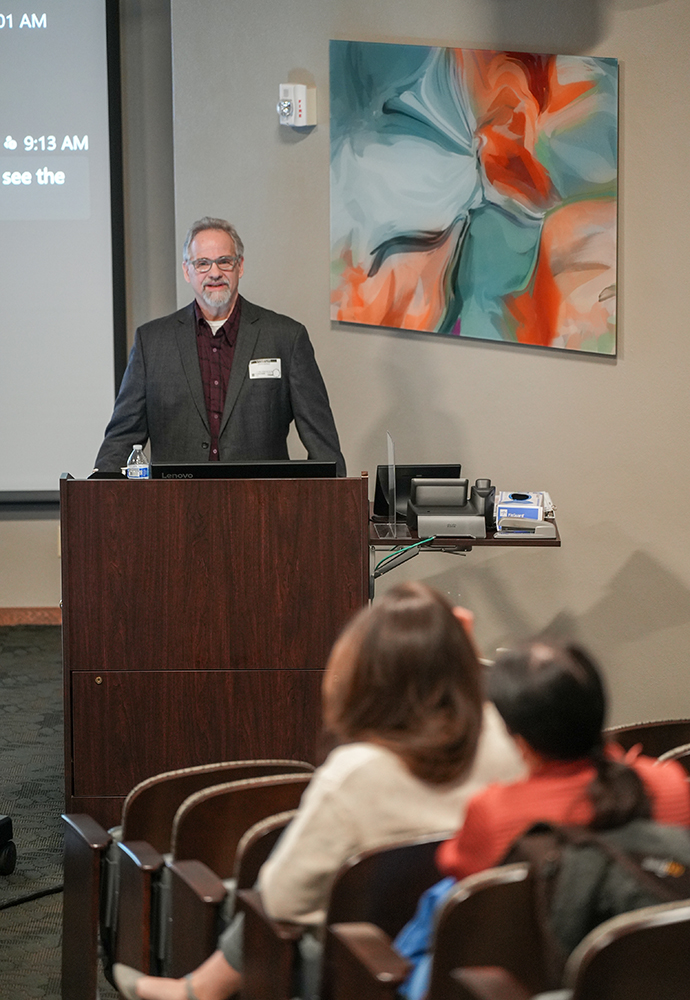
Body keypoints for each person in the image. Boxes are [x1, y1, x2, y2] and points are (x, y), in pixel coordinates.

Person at [113, 581, 525, 1000]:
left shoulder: (355, 773)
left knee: (254, 906)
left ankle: (195, 991)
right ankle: (196, 990)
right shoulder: (505, 741)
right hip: (467, 949)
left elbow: (282, 899)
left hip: (358, 967)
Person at [394, 639, 690, 999]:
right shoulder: (670, 783)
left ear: (520, 739)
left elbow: (458, 872)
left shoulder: (495, 812)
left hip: (536, 981)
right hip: (659, 978)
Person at [95, 217, 346, 475]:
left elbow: (323, 445)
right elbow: (122, 438)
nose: (214, 273)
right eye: (202, 263)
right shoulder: (151, 343)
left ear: (240, 266)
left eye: (224, 261)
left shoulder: (286, 338)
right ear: (186, 270)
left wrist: (335, 506)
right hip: (175, 507)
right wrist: (98, 493)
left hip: (263, 507)